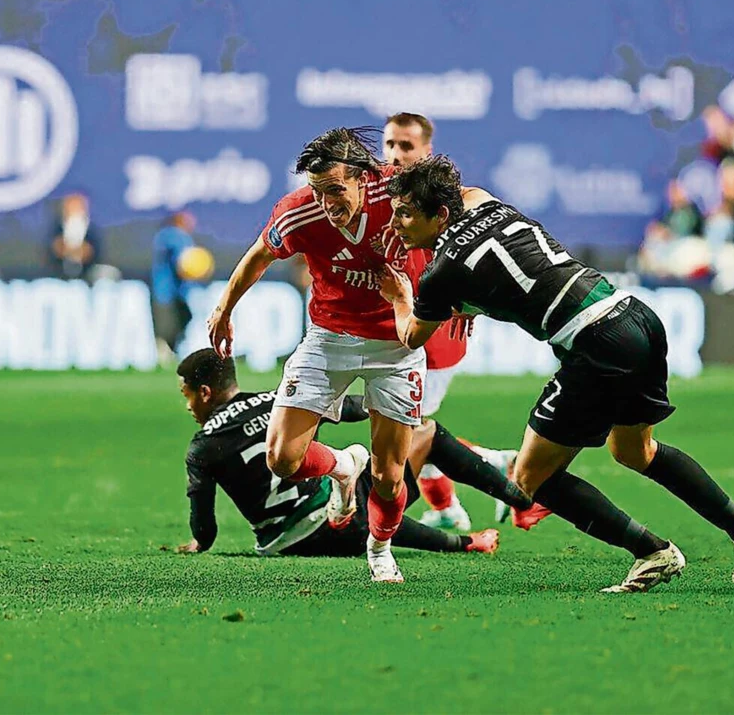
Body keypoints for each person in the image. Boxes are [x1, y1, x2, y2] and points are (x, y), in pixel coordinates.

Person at [379, 155, 734, 593]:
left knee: (530, 480)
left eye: (405, 213)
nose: (396, 223)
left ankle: (654, 553)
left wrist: (400, 295)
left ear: (438, 214)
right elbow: (497, 260)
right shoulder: (481, 201)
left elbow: (412, 336)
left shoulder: (440, 273)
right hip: (634, 316)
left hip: (595, 344)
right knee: (634, 451)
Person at [207, 128, 533, 583]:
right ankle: (344, 465)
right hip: (328, 338)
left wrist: (468, 294)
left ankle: (379, 550)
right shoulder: (298, 212)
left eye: (336, 190)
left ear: (363, 178)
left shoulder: (397, 190)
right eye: (318, 191)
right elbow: (261, 254)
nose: (326, 203)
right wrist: (223, 310)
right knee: (281, 458)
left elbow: (462, 206)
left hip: (396, 346)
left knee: (389, 475)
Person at [173, 349, 499, 557]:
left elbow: (205, 529)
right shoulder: (282, 402)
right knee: (423, 432)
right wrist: (387, 416)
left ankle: (467, 534)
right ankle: (510, 495)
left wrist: (199, 543)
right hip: (339, 525)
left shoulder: (202, 446)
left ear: (204, 393)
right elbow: (354, 407)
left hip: (283, 545)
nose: (188, 406)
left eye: (186, 396)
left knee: (362, 497)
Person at [383, 112, 521, 530]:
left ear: (427, 151)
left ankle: (497, 466)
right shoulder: (384, 193)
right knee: (407, 427)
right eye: (390, 144)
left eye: (406, 146)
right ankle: (446, 508)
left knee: (411, 432)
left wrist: (470, 303)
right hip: (405, 321)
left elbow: (484, 256)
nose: (395, 153)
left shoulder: (450, 202)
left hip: (438, 327)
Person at [152, 211, 198, 365]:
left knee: (184, 318)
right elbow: (183, 263)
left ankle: (170, 350)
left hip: (175, 291)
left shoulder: (165, 236)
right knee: (169, 324)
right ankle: (163, 352)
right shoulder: (174, 236)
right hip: (166, 291)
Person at [48, 192, 102, 280]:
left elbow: (96, 253)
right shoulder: (56, 228)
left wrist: (83, 251)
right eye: (71, 206)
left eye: (78, 206)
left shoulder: (92, 230)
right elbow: (49, 252)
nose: (74, 209)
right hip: (58, 279)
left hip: (86, 278)